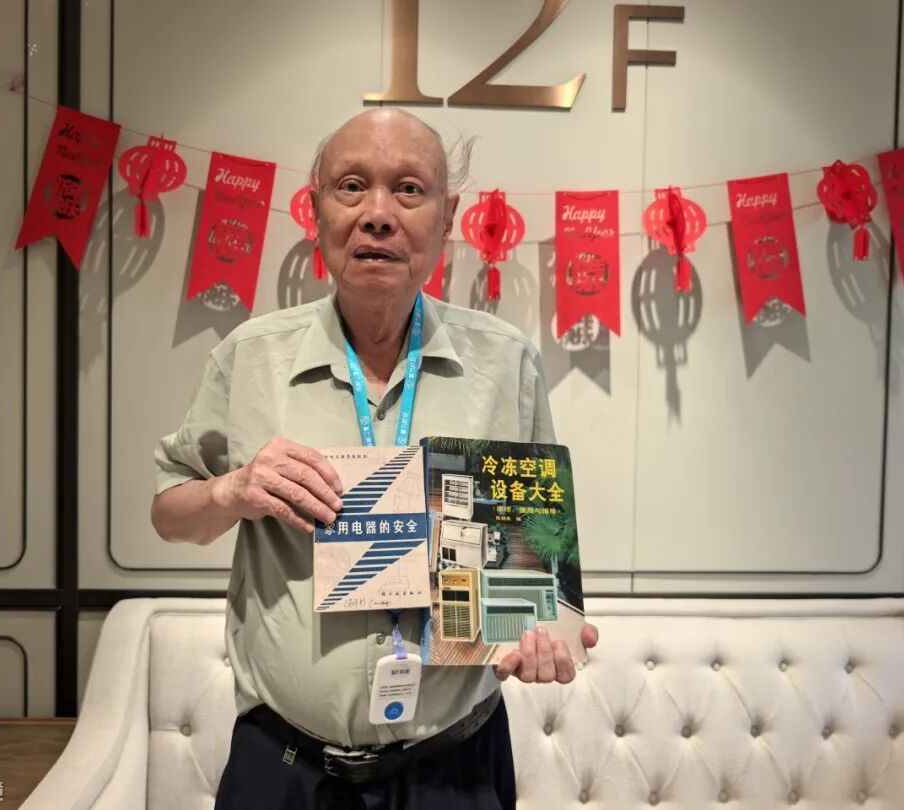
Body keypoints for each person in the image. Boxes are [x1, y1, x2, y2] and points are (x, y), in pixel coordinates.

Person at [151, 108, 599, 810]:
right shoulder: (250, 358)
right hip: (285, 767)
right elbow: (169, 515)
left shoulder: (505, 363)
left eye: (409, 189)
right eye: (352, 186)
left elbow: (530, 548)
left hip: (455, 767)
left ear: (447, 218)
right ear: (316, 209)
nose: (379, 215)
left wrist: (538, 629)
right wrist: (230, 491)